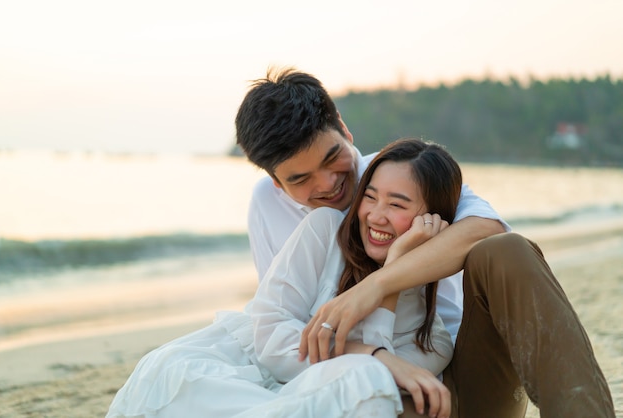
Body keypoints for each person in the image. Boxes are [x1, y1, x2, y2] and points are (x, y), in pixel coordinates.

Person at [235, 68, 615, 417]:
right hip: (365, 393)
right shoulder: (269, 207)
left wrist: (379, 283)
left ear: (344, 129)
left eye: (333, 158)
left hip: (464, 372)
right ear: (277, 184)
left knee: (506, 251)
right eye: (300, 179)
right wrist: (379, 357)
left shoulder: (401, 176)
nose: (326, 184)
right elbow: (283, 331)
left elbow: (488, 229)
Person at [106, 138, 458, 418]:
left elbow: (373, 388)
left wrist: (393, 275)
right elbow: (272, 340)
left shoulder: (433, 343)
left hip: (295, 395)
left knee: (367, 378)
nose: (375, 216)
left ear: (434, 223)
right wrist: (376, 354)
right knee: (182, 378)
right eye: (369, 197)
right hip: (236, 371)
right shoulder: (325, 228)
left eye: (397, 205)